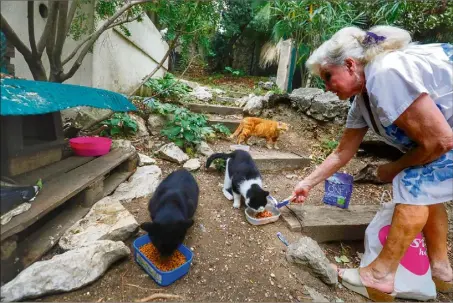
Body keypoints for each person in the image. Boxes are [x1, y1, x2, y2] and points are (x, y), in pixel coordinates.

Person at [291, 25, 453, 301]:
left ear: (351, 65)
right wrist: (306, 183)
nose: (327, 88)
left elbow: (440, 141)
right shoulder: (362, 101)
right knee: (428, 186)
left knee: (411, 181)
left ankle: (379, 276)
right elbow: (342, 153)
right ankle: (441, 272)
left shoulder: (386, 72)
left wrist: (394, 167)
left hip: (445, 137)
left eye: (328, 77)